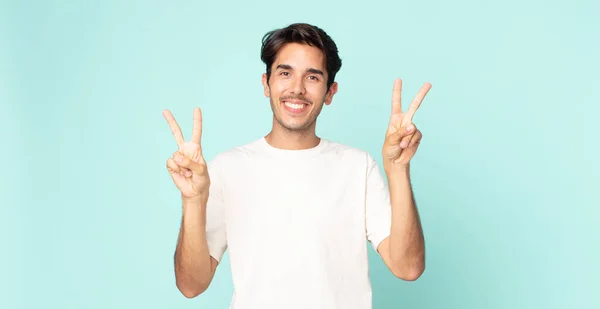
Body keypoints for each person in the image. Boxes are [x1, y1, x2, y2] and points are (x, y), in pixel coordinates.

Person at [162, 22, 431, 309]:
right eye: (285, 73)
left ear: (330, 92)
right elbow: (191, 285)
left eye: (312, 78)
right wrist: (192, 200)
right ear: (266, 83)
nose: (297, 89)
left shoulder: (357, 167)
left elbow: (408, 268)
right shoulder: (228, 168)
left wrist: (398, 169)